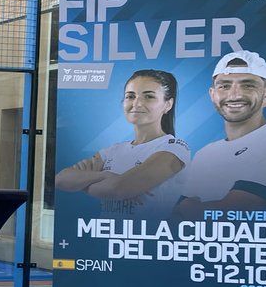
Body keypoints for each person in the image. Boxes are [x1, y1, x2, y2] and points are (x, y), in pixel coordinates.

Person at [56, 69, 189, 217]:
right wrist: (107, 176)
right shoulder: (113, 151)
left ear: (168, 104)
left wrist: (84, 183)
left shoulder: (174, 148)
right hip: (106, 236)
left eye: (149, 97)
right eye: (130, 96)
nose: (137, 104)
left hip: (148, 237)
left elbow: (117, 189)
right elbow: (61, 179)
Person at [175, 50, 266, 219]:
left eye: (247, 85)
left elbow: (230, 212)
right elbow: (175, 216)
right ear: (213, 94)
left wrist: (193, 209)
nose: (234, 95)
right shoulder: (206, 154)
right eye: (225, 86)